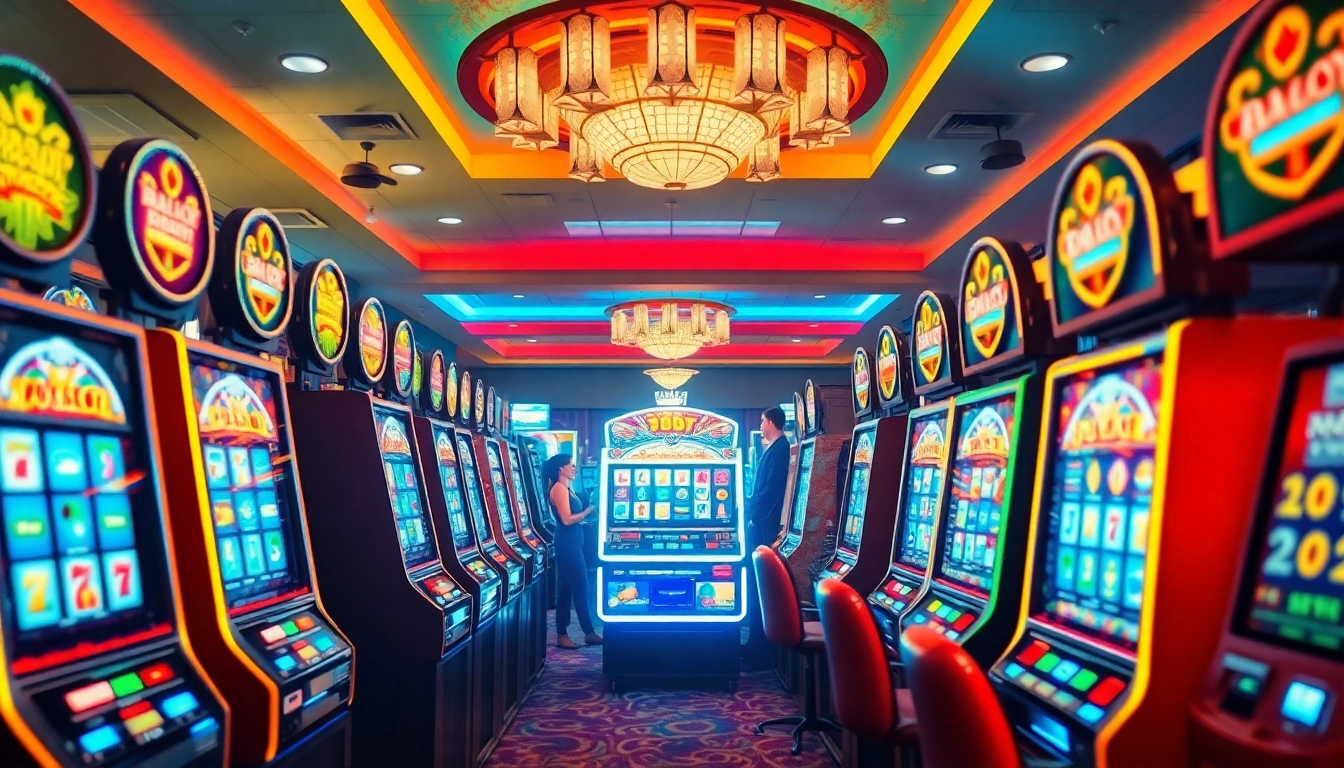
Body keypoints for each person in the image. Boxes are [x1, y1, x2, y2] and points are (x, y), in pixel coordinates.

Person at [743, 406, 791, 668]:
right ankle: (753, 645)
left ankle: (759, 652)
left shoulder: (781, 448)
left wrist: (753, 514)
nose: (760, 425)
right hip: (762, 525)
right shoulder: (774, 447)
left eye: (762, 421)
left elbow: (772, 490)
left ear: (771, 422)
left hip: (766, 528)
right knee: (755, 588)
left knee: (760, 590)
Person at [544, 453, 603, 649]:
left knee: (565, 590)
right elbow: (567, 519)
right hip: (567, 543)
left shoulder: (566, 488)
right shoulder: (559, 489)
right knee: (581, 586)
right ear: (560, 468)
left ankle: (563, 634)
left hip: (572, 541)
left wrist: (584, 521)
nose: (574, 468)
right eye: (570, 465)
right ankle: (588, 632)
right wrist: (589, 510)